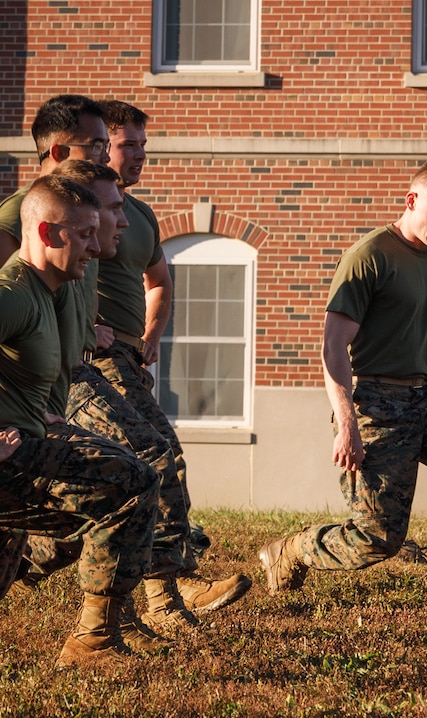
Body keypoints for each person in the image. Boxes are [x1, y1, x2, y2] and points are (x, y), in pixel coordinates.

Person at [258, 159, 427, 603]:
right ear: (412, 200)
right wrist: (347, 424)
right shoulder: (370, 256)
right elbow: (332, 346)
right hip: (375, 402)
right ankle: (292, 551)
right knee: (377, 537)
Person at [91, 100, 251, 616]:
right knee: (154, 458)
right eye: (127, 145)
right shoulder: (68, 207)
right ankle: (164, 592)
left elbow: (159, 280)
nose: (139, 156)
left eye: (143, 146)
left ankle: (160, 589)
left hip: (129, 359)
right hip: (90, 362)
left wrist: (152, 335)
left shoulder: (137, 214)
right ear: (100, 147)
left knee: (154, 460)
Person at [0, 175, 159, 667]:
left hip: (29, 435)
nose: (97, 247)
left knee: (62, 528)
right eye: (85, 235)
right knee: (132, 483)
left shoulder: (50, 290)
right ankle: (94, 643)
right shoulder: (12, 293)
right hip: (9, 453)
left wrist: (43, 411)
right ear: (48, 234)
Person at [0, 94, 111, 261]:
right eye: (96, 146)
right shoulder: (15, 214)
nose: (106, 158)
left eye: (105, 146)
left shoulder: (85, 208)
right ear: (59, 153)